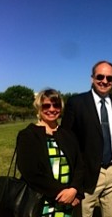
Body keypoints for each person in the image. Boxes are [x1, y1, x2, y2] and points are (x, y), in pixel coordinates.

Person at [61, 60, 112, 217]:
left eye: (109, 78)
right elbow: (66, 140)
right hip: (87, 173)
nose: (104, 81)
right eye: (100, 76)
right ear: (92, 78)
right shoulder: (76, 103)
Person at [16, 88, 84, 216]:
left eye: (56, 105)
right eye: (46, 105)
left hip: (69, 201)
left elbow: (79, 165)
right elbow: (30, 172)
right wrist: (63, 193)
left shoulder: (68, 134)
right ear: (39, 108)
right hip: (41, 201)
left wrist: (74, 190)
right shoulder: (28, 135)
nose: (52, 109)